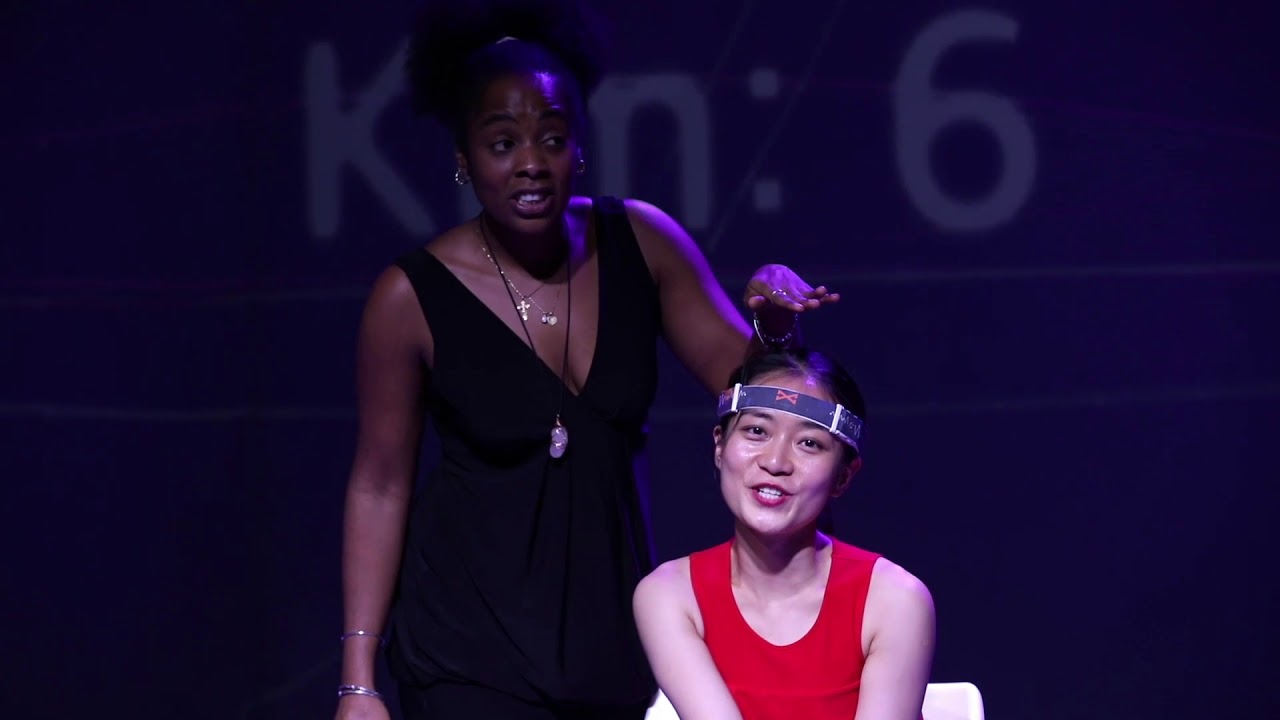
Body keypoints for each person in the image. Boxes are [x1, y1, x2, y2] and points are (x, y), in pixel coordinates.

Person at [334, 2, 840, 719]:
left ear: (578, 146)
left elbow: (752, 390)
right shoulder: (409, 298)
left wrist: (774, 324)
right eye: (502, 142)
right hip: (464, 654)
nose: (530, 162)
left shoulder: (643, 243)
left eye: (551, 136)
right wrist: (358, 680)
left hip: (609, 650)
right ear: (464, 159)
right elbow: (380, 486)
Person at [632, 349, 935, 720]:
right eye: (757, 431)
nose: (775, 463)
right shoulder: (672, 594)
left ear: (843, 476)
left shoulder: (893, 600)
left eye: (809, 443)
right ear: (719, 446)